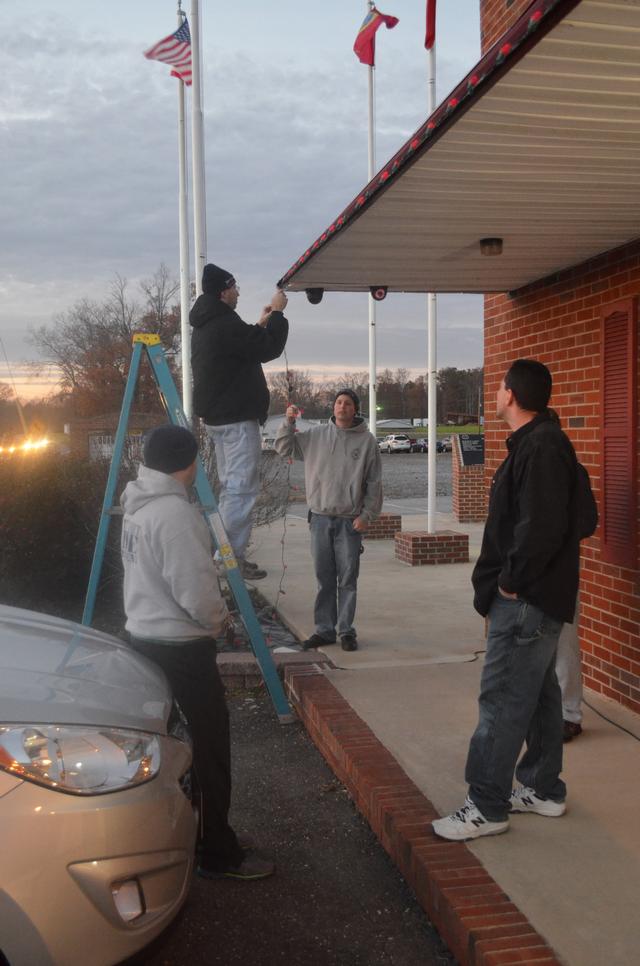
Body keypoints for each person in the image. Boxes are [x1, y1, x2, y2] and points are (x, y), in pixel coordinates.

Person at [433, 359, 582, 842]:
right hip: (538, 599)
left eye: (498, 387)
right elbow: (579, 517)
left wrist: (512, 582)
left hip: (526, 602)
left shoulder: (540, 447)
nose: (495, 393)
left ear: (511, 395)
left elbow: (544, 526)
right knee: (540, 695)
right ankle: (542, 787)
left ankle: (486, 805)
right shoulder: (546, 443)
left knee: (500, 700)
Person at [120, 424, 273, 880]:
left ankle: (202, 830)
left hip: (145, 636)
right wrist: (218, 622)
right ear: (190, 464)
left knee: (171, 745)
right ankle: (216, 851)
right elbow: (195, 590)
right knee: (208, 748)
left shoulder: (138, 507)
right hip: (181, 648)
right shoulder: (175, 516)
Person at [190, 263, 289, 579]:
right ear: (223, 291)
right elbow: (267, 347)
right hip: (236, 420)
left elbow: (242, 345)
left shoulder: (208, 323)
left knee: (230, 489)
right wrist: (278, 314)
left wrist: (261, 323)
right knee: (240, 490)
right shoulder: (223, 323)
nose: (238, 292)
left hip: (219, 418)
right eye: (234, 287)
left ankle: (226, 554)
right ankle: (228, 559)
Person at [274, 389, 382, 652]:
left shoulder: (367, 442)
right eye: (338, 402)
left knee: (347, 579)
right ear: (333, 408)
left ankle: (346, 631)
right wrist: (288, 422)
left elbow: (374, 483)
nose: (342, 406)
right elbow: (284, 447)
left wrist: (367, 516)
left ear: (355, 409)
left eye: (347, 403)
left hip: (349, 523)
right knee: (324, 579)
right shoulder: (315, 436)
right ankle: (324, 630)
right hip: (320, 519)